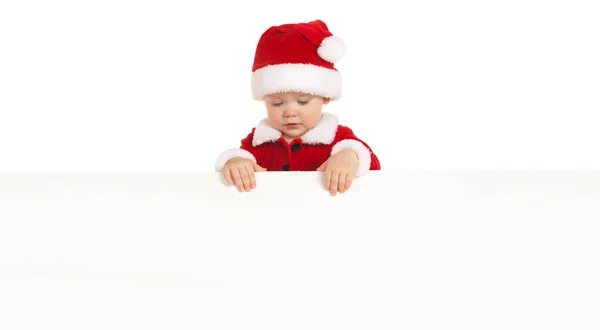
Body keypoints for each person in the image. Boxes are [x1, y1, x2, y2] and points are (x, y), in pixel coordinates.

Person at [215, 19, 381, 196]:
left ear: (325, 96)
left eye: (303, 102)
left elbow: (374, 166)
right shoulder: (258, 143)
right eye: (277, 103)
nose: (290, 112)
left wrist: (350, 156)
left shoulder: (339, 138)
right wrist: (236, 164)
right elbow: (234, 167)